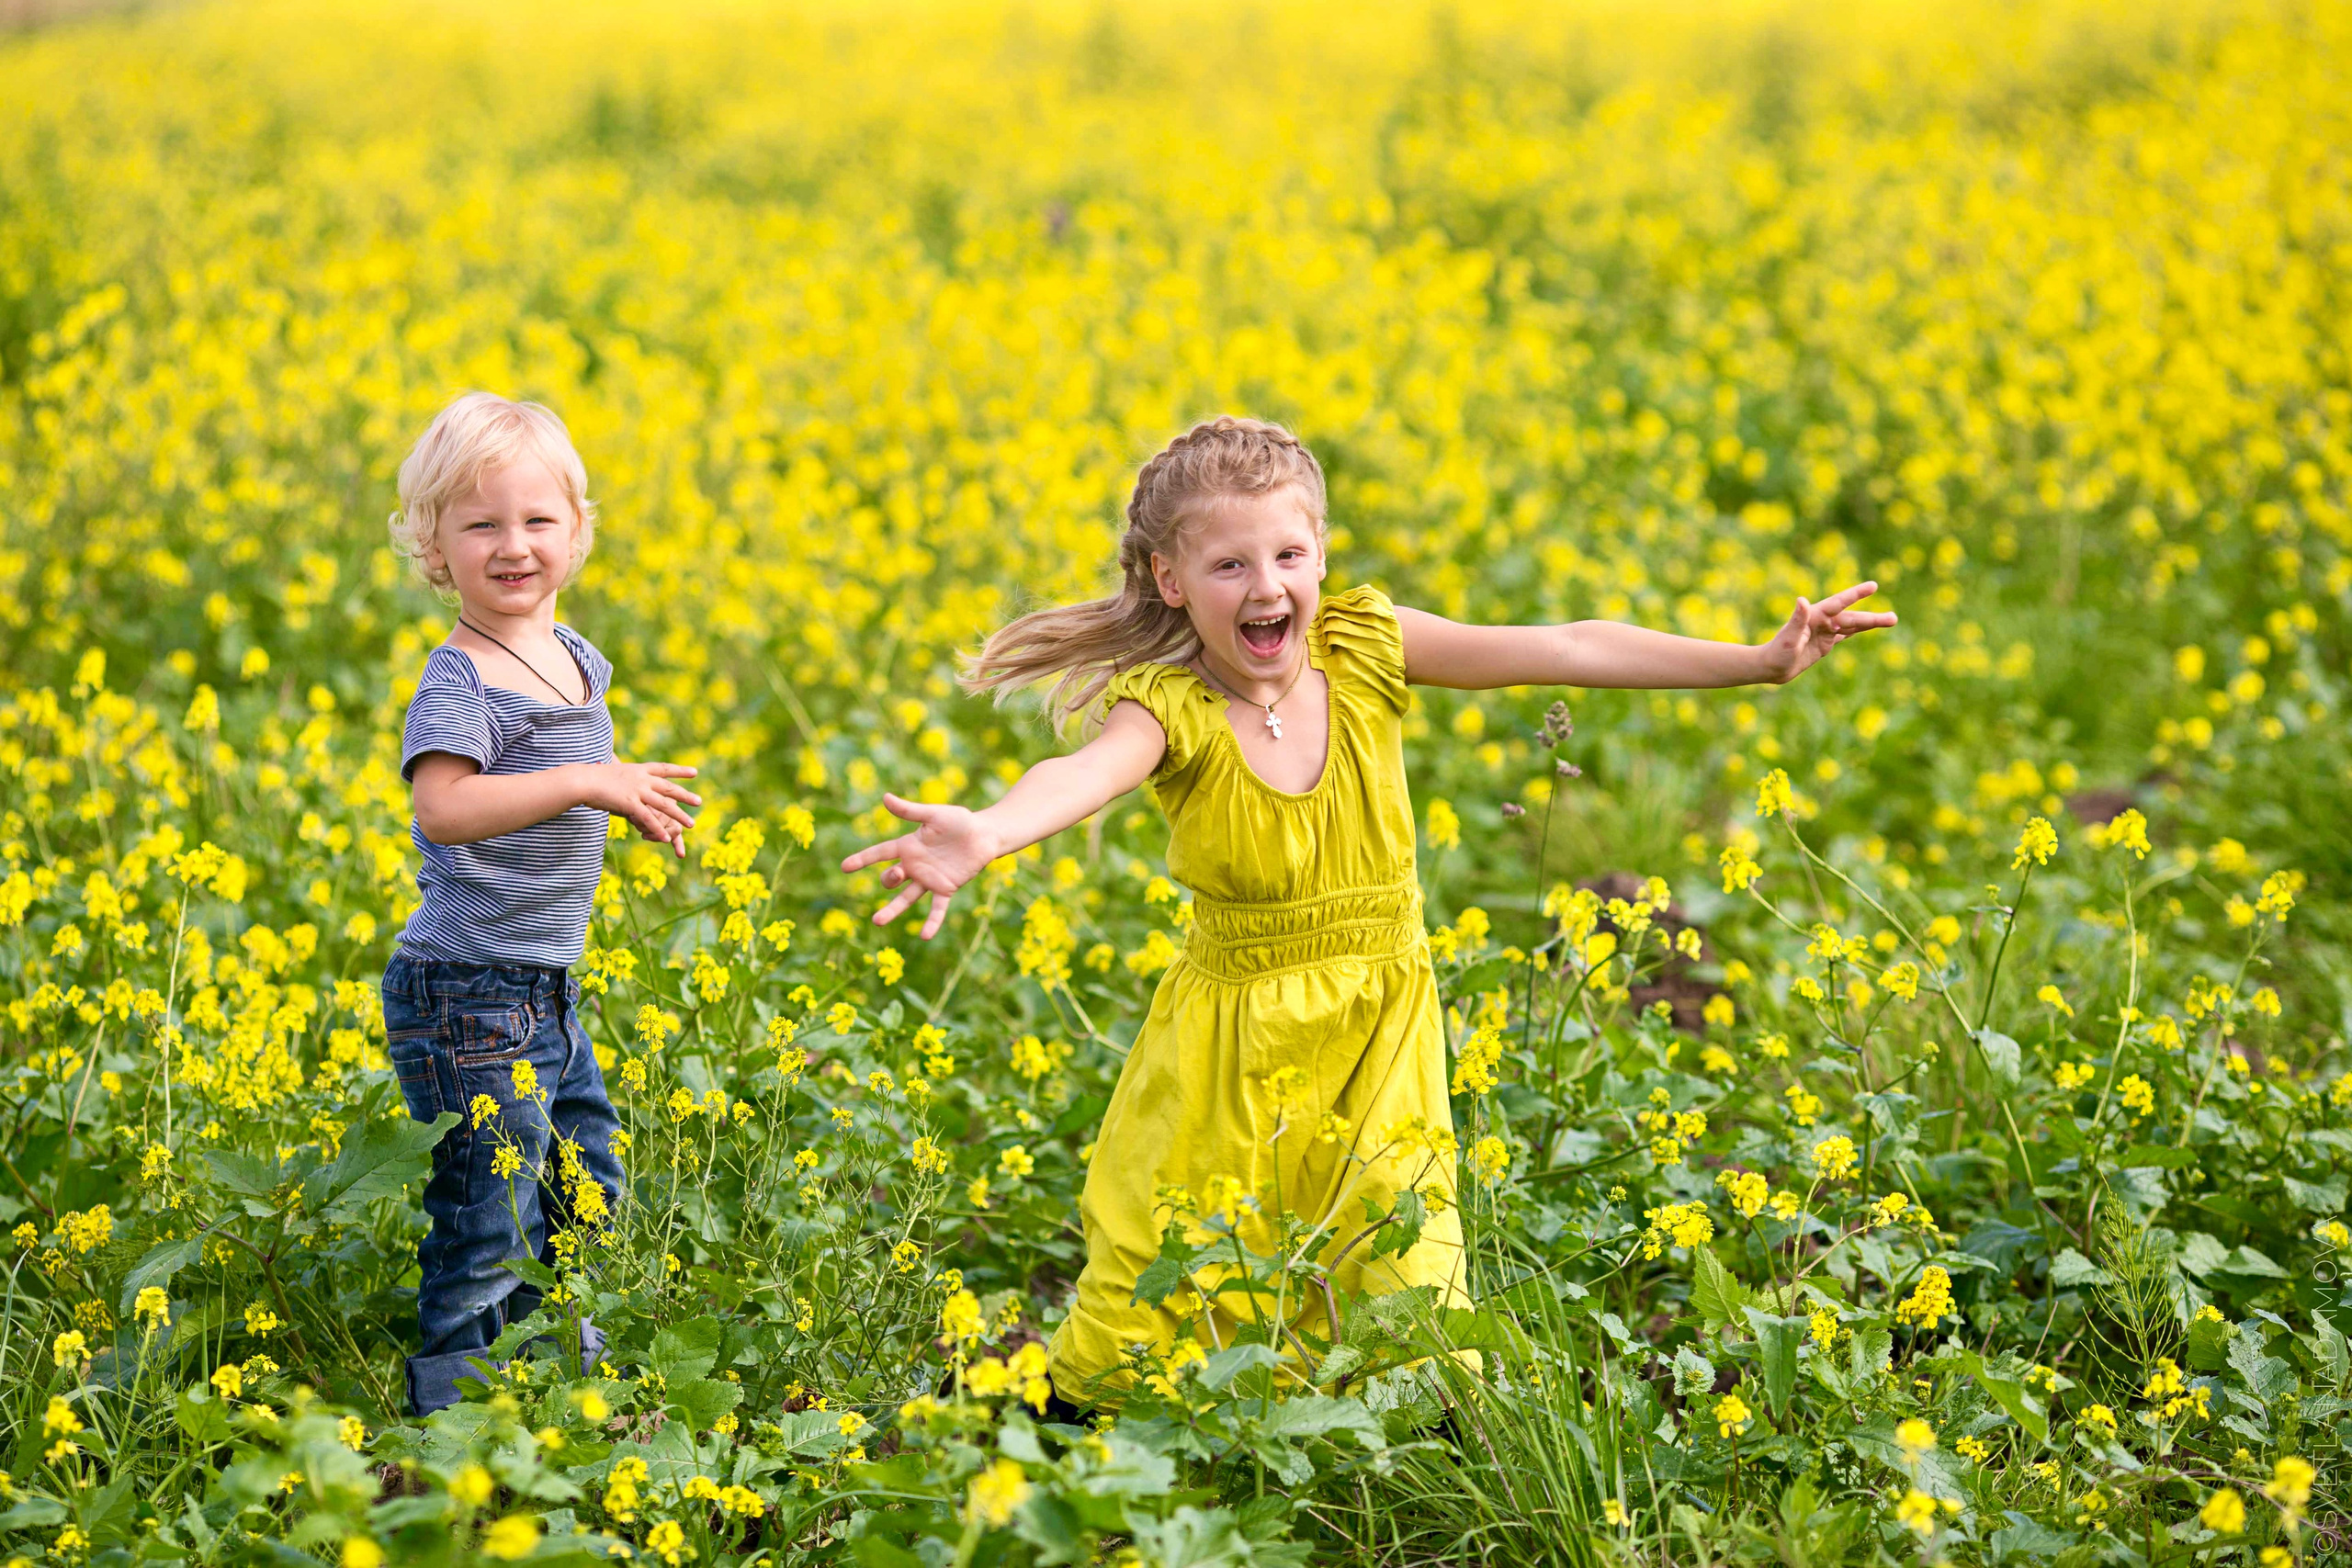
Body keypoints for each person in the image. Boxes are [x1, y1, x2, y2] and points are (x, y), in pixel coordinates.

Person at [841, 415, 1894, 1405]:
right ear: (1170, 581)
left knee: (1405, 1269)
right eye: (1230, 565)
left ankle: (1416, 1465)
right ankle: (1038, 1438)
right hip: (1227, 1052)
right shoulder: (1168, 711)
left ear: (1321, 557)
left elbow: (1564, 646)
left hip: (1380, 1029)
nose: (1268, 587)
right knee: (1161, 1291)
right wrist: (987, 831)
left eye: (1288, 557)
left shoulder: (1368, 649)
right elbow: (1079, 776)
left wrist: (1754, 665)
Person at [382, 391, 704, 1415]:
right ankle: (453, 1410)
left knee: (585, 1180)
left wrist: (628, 800)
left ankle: (547, 1349)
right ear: (434, 548)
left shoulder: (575, 661)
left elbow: (573, 774)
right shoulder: (459, 681)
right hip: (464, 992)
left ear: (577, 530)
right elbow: (444, 807)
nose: (511, 545)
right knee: (489, 1202)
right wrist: (588, 784)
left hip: (542, 986)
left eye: (536, 520)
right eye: (479, 524)